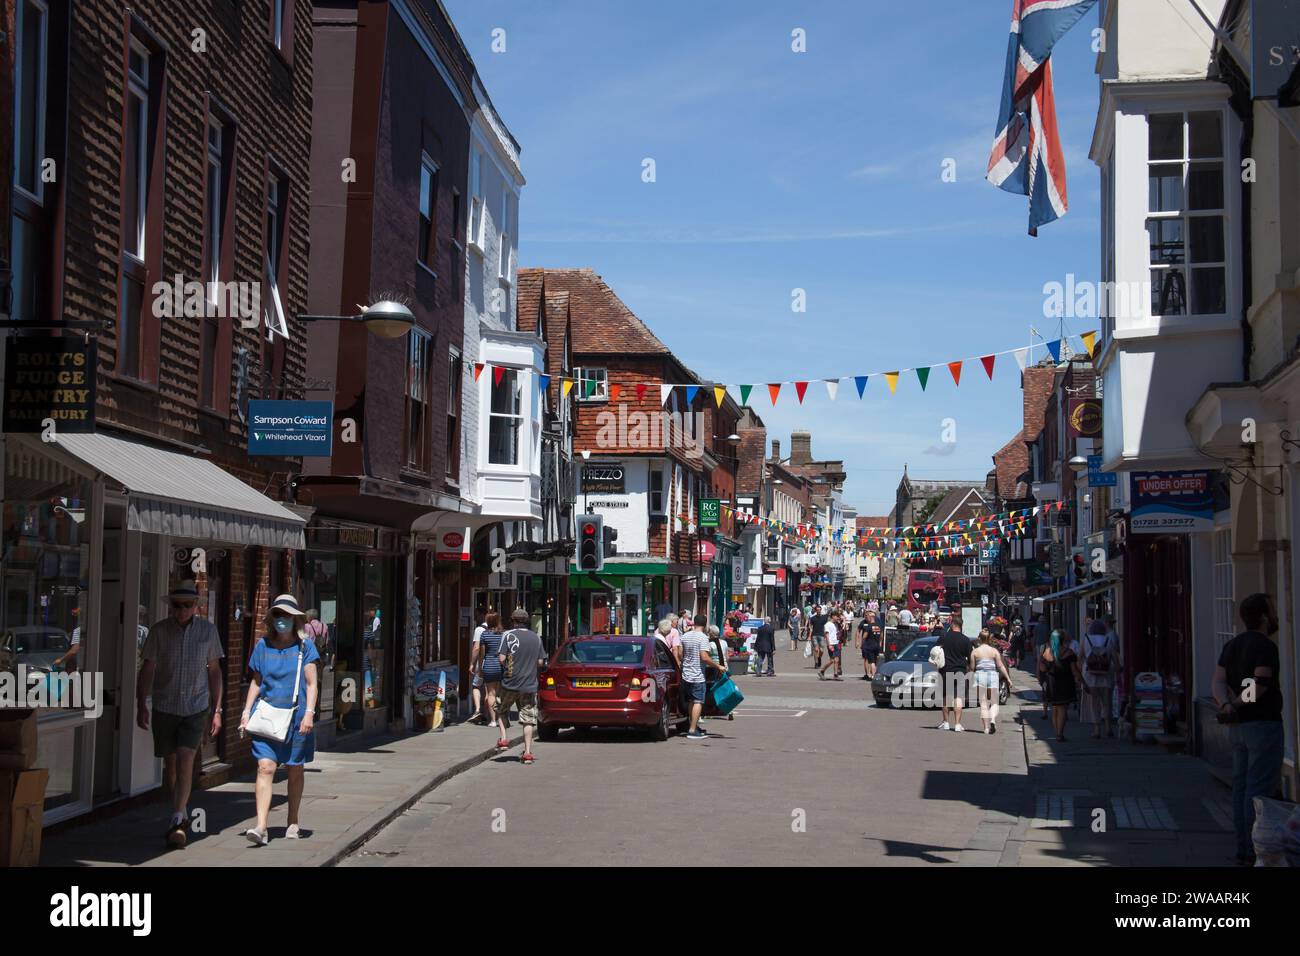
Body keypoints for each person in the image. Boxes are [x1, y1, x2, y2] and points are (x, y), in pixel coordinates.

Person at [136, 581, 224, 849]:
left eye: (187, 605)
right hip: (165, 705)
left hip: (195, 707)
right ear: (171, 606)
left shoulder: (208, 631)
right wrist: (142, 703)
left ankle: (176, 817)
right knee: (171, 764)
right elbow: (148, 668)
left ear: (196, 607)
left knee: (187, 758)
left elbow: (214, 670)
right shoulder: (159, 631)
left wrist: (216, 709)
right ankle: (182, 809)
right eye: (177, 605)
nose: (182, 610)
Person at [239, 594, 320, 846]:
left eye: (285, 616)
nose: (281, 620)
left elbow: (312, 683)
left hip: (296, 719)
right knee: (265, 767)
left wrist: (309, 713)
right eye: (277, 615)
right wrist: (246, 710)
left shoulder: (305, 648)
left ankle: (292, 820)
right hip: (266, 717)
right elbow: (256, 680)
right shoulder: (263, 646)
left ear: (295, 619)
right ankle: (261, 825)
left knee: (295, 768)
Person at [1212, 593, 1284, 866]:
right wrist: (1238, 703)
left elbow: (1217, 681)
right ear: (1264, 616)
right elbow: (1261, 683)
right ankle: (1256, 851)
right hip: (1262, 725)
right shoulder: (1265, 646)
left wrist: (1226, 704)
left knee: (1240, 789)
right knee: (1258, 792)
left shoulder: (1232, 645)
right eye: (1273, 610)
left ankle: (1243, 849)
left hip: (1238, 728)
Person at [495, 609, 546, 764]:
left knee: (500, 709)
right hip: (529, 685)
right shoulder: (536, 638)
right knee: (528, 719)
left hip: (510, 683)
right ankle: (528, 753)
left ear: (513, 621)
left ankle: (504, 739)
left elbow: (502, 658)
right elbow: (540, 662)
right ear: (527, 621)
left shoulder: (508, 635)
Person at [680, 615, 726, 739]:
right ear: (705, 625)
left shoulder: (685, 636)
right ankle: (692, 730)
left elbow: (680, 654)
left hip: (686, 674)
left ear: (694, 623)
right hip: (697, 675)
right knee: (698, 701)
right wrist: (718, 666)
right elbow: (704, 657)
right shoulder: (703, 638)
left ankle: (693, 725)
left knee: (691, 701)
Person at [1039, 629, 1082, 742]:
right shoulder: (1068, 652)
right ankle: (1060, 734)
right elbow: (1074, 670)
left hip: (1051, 682)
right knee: (1062, 708)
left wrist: (1047, 671)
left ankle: (1057, 732)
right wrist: (1081, 681)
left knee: (1055, 708)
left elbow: (1042, 668)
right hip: (1065, 682)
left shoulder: (1047, 652)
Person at [1080, 619, 1120, 738]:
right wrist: (1118, 671)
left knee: (1094, 703)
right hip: (1106, 673)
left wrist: (1079, 677)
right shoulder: (1108, 639)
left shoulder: (1086, 639)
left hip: (1090, 674)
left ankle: (1097, 729)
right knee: (1106, 702)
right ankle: (1108, 727)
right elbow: (1114, 658)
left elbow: (1080, 657)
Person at [969, 629, 1012, 734]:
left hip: (980, 675)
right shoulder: (994, 651)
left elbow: (972, 667)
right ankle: (992, 720)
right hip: (992, 675)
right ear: (989, 639)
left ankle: (986, 728)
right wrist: (1008, 678)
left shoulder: (975, 651)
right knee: (994, 702)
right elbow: (1000, 666)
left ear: (979, 638)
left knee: (983, 703)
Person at [937, 610, 973, 731]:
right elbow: (970, 656)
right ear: (961, 626)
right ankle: (957, 724)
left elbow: (936, 650)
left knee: (946, 697)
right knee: (958, 698)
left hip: (945, 670)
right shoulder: (966, 640)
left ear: (952, 625)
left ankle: (946, 722)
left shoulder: (944, 637)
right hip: (960, 671)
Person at [475, 613, 506, 747]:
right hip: (500, 666)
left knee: (491, 693)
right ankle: (501, 718)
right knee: (499, 693)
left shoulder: (485, 635)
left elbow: (482, 653)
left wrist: (481, 667)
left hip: (488, 665)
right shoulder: (503, 634)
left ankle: (493, 720)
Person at [468, 610, 487, 723]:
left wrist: (472, 663)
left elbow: (476, 648)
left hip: (482, 665)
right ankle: (487, 714)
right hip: (494, 665)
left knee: (476, 686)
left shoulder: (479, 630)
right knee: (489, 690)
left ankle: (478, 710)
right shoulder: (498, 631)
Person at [817, 610, 843, 681]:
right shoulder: (828, 624)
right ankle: (821, 671)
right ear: (833, 616)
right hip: (831, 644)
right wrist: (829, 644)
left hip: (836, 643)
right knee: (832, 660)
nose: (838, 618)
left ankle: (835, 675)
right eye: (837, 616)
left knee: (837, 660)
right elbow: (827, 635)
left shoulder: (836, 624)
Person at [858, 610, 883, 680]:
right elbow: (881, 636)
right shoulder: (879, 626)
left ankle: (873, 676)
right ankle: (874, 674)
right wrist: (880, 644)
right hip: (877, 646)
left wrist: (862, 644)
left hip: (870, 646)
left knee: (871, 662)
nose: (867, 618)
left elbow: (864, 637)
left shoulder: (869, 626)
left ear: (871, 617)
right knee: (875, 661)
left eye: (868, 616)